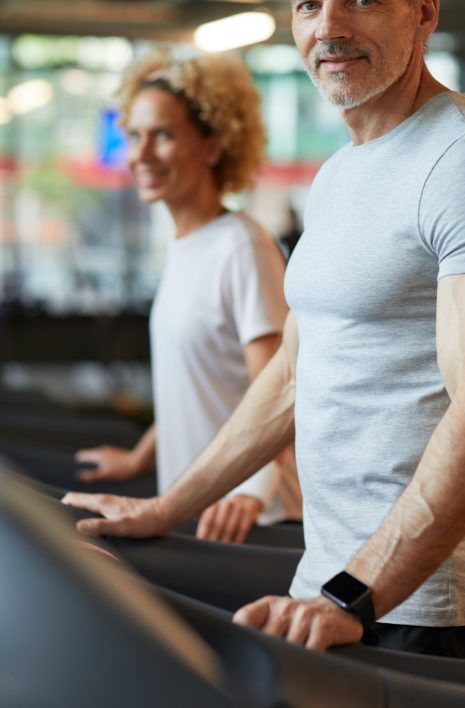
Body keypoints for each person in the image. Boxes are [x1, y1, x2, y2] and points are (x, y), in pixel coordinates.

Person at [64, 0, 465, 659]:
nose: (329, 27)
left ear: (424, 11)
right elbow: (292, 374)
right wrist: (166, 505)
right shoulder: (337, 175)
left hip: (424, 603)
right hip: (328, 581)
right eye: (307, 3)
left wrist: (355, 595)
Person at [73, 48, 300, 543]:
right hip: (192, 506)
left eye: (164, 135)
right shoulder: (185, 247)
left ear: (214, 147)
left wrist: (254, 490)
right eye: (134, 136)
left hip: (250, 518)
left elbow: (279, 391)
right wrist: (139, 457)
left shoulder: (243, 246)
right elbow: (200, 385)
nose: (142, 154)